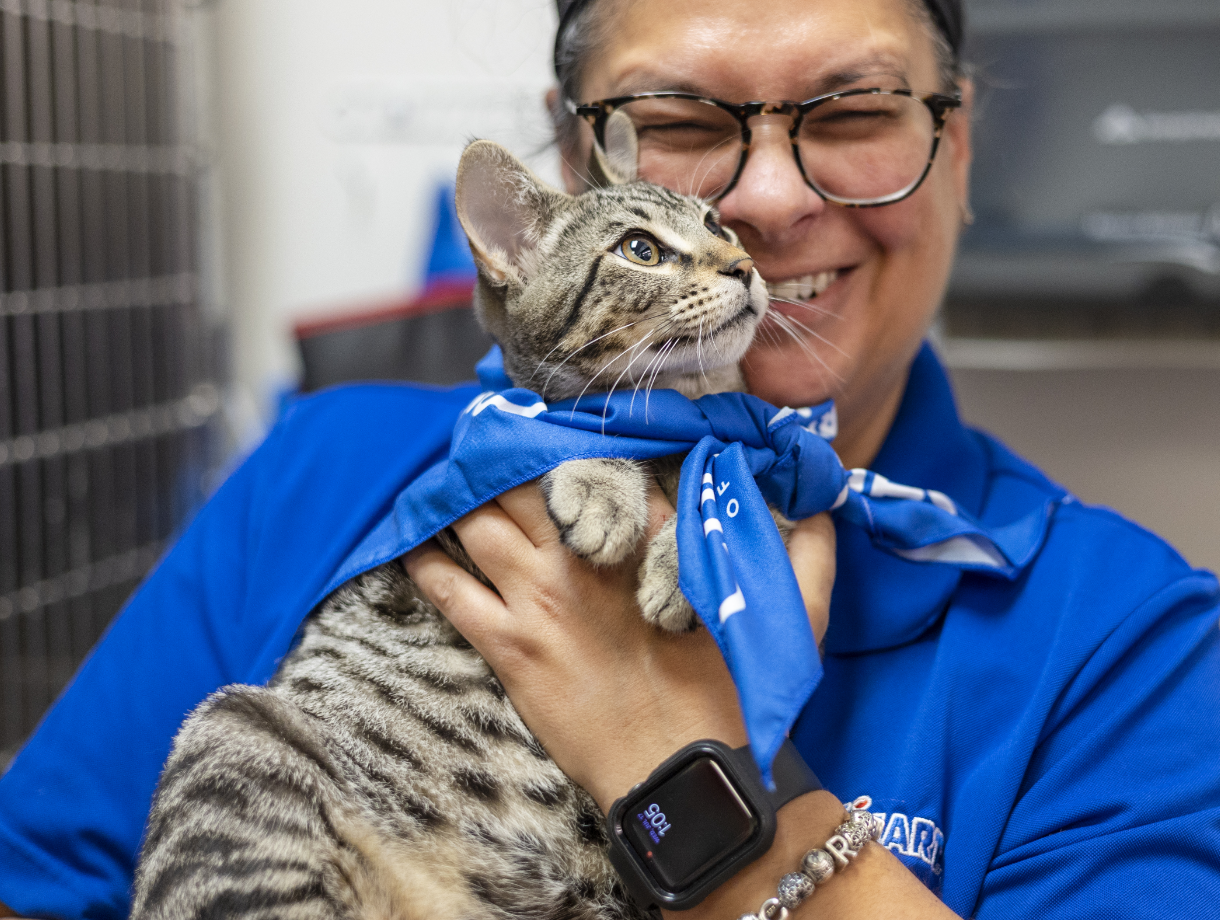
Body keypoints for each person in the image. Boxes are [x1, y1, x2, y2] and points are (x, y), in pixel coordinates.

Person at [2, 0, 1218, 917]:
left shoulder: (1129, 638)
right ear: (575, 167)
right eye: (684, 123)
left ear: (954, 153)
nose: (765, 206)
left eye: (850, 114)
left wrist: (676, 769)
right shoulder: (327, 465)